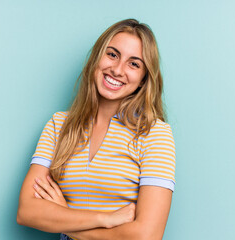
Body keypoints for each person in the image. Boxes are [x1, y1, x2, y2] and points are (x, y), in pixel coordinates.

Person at [17, 18, 176, 240]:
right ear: (96, 58)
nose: (118, 69)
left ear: (143, 79)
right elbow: (27, 211)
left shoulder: (155, 134)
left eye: (134, 64)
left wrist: (64, 218)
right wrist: (105, 218)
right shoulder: (58, 125)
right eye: (112, 54)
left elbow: (146, 236)